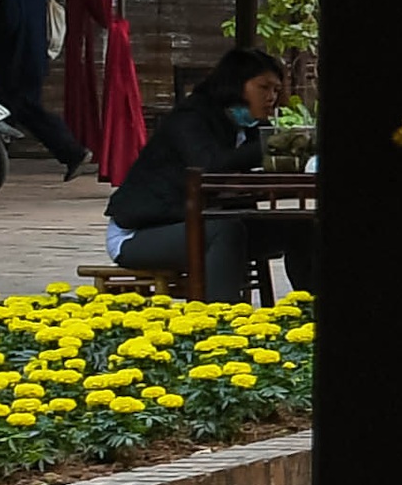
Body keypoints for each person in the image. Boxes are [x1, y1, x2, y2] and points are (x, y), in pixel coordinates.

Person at [107, 46, 311, 301]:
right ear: (237, 84)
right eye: (263, 87)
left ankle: (310, 313)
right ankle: (223, 324)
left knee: (303, 226)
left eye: (276, 90)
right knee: (226, 231)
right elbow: (208, 167)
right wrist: (267, 145)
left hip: (205, 223)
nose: (271, 96)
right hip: (141, 233)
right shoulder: (191, 118)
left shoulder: (254, 127)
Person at [0, 0, 87, 180]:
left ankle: (72, 152)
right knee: (19, 112)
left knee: (15, 111)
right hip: (33, 61)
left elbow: (6, 28)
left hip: (14, 65)